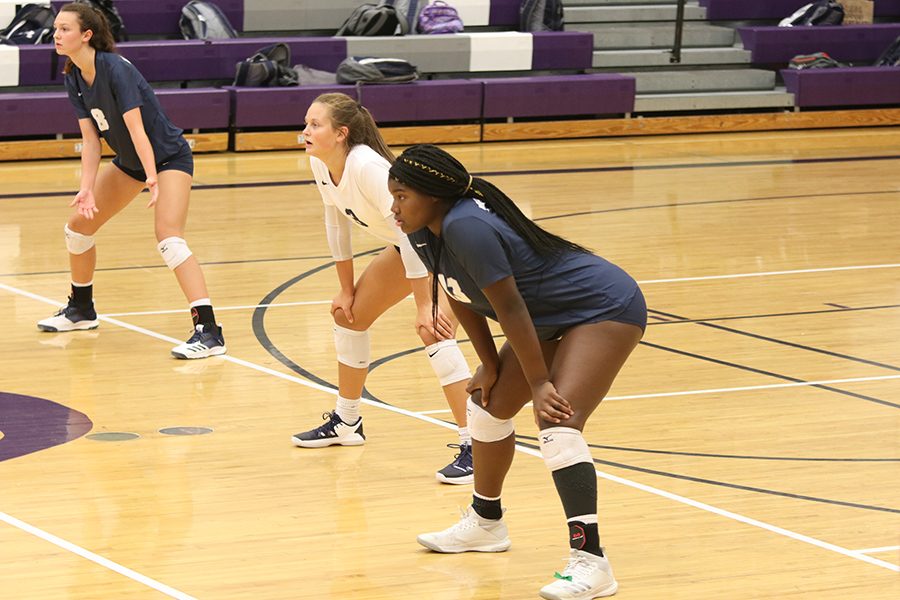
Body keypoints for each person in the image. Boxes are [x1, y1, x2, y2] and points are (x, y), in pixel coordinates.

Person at [387, 145, 647, 599]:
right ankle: (486, 524)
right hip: (544, 314)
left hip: (603, 306)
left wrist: (540, 383)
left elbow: (509, 307)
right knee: (485, 405)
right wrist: (489, 365)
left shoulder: (468, 227)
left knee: (558, 422)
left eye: (402, 196)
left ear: (433, 195)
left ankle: (592, 562)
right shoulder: (425, 229)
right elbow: (461, 294)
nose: (394, 208)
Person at [291, 94, 475, 484]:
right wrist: (345, 289)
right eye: (306, 123)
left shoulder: (367, 167)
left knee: (433, 331)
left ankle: (475, 444)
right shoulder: (320, 164)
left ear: (341, 134)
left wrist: (425, 305)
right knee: (348, 315)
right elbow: (335, 223)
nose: (305, 131)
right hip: (414, 244)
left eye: (314, 125)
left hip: (454, 245)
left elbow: (410, 235)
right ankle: (347, 421)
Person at [38, 3, 225, 360]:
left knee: (168, 237)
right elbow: (92, 141)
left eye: (64, 29)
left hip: (167, 158)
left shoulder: (116, 69)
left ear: (86, 35)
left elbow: (138, 130)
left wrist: (153, 178)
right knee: (78, 228)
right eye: (56, 29)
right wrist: (87, 187)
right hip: (129, 164)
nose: (56, 35)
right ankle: (81, 310)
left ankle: (209, 331)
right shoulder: (73, 75)